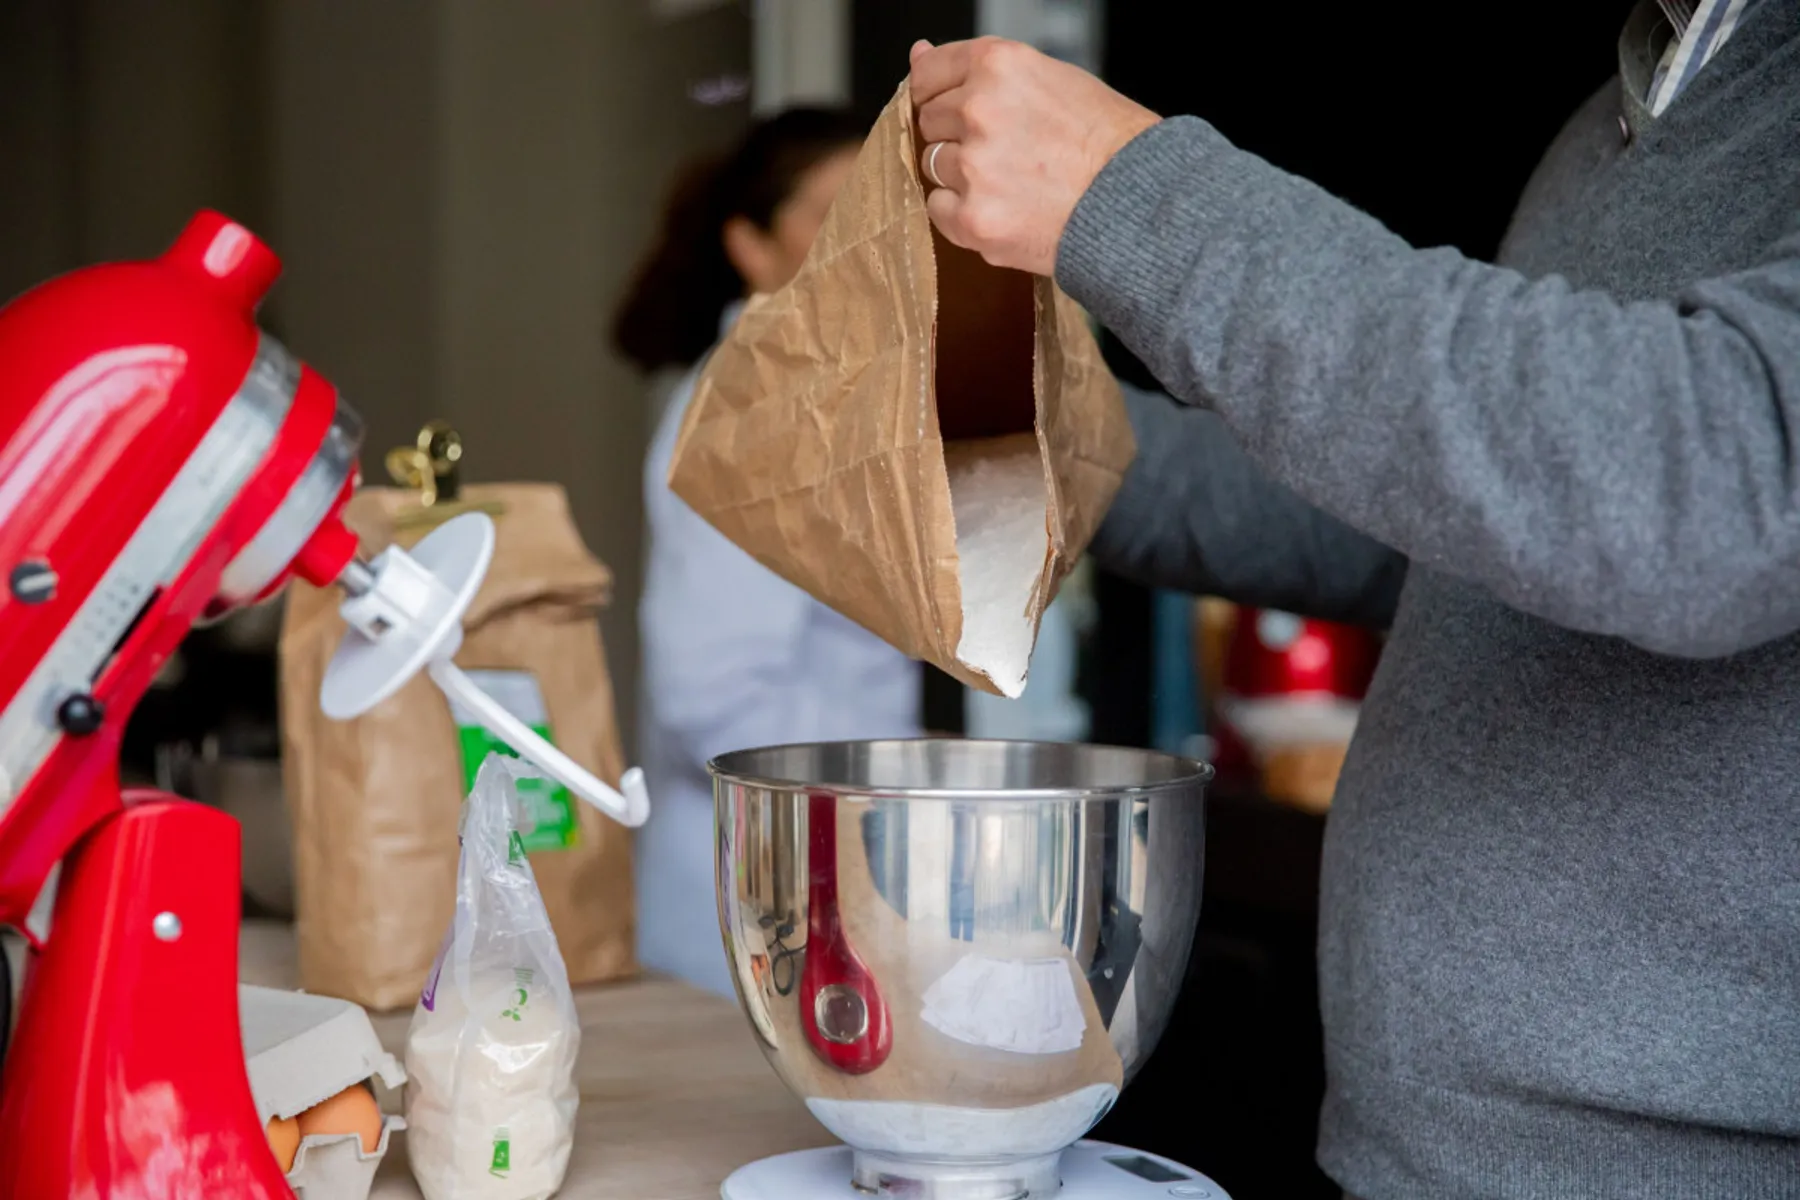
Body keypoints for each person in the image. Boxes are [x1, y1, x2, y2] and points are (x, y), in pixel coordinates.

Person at [906, 5, 1800, 1199]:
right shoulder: (1621, 113)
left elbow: (1706, 489)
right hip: (1400, 1147)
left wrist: (1131, 194)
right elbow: (1466, 520)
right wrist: (1015, 459)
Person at [614, 109, 923, 999]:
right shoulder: (758, 403)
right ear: (750, 245)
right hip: (775, 898)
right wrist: (904, 785)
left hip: (826, 879)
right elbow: (712, 688)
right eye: (840, 212)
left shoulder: (844, 388)